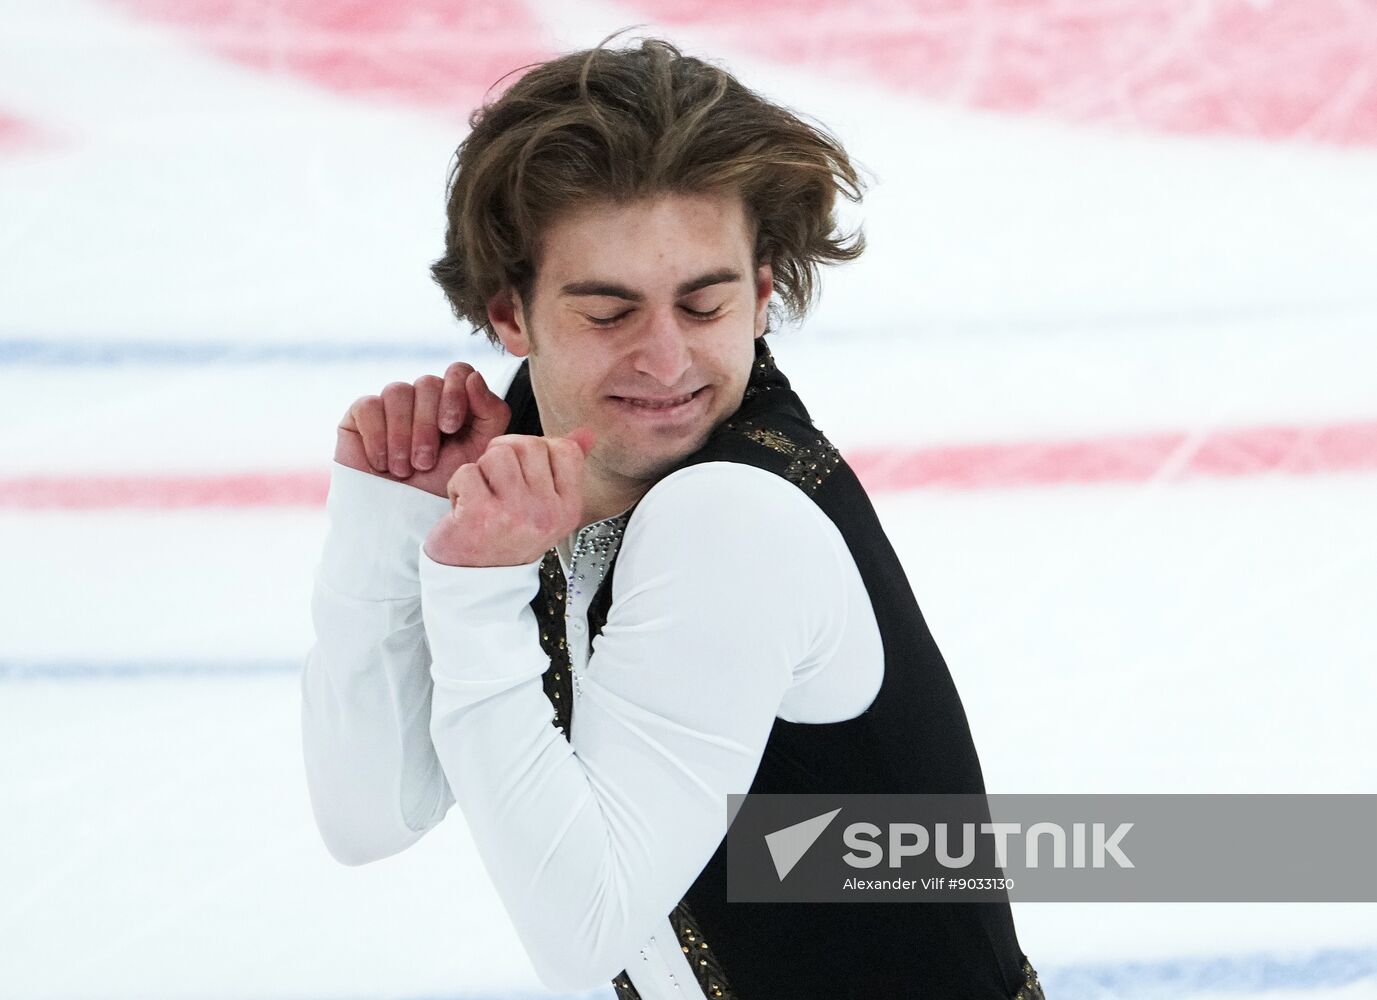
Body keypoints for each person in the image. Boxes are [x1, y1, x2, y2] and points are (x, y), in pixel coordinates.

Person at [301, 36, 1043, 1000]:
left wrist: (479, 586)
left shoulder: (731, 516)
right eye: (608, 314)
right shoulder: (527, 463)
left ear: (763, 293)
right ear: (510, 316)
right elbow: (370, 817)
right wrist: (392, 523)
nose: (665, 361)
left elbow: (584, 929)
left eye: (703, 304)